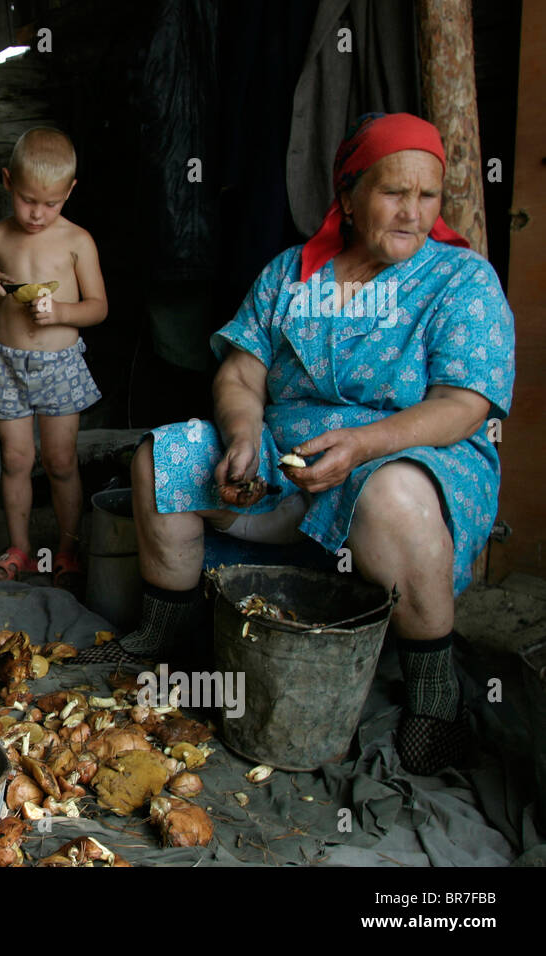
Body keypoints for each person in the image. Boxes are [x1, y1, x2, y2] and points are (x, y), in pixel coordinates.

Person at [80, 113, 515, 776]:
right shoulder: (292, 274)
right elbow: (240, 373)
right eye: (394, 192)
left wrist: (364, 445)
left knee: (393, 494)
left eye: (428, 195)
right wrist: (243, 432)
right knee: (162, 457)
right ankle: (162, 637)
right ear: (349, 197)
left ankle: (433, 692)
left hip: (409, 459)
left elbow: (463, 406)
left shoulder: (461, 280)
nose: (413, 212)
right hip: (283, 464)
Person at [0, 128, 108, 589]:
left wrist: (60, 313)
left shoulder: (78, 241)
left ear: (69, 192)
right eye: (26, 200)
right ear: (7, 182)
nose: (37, 213)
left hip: (60, 366)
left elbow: (98, 307)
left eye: (51, 203)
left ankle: (67, 551)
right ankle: (19, 548)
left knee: (60, 462)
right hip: (7, 365)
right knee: (15, 460)